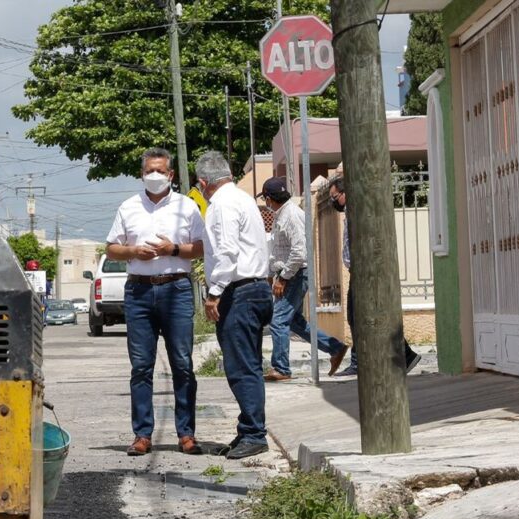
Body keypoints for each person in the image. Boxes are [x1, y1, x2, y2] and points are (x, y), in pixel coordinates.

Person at [105, 147, 205, 457]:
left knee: (183, 364)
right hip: (139, 292)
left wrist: (172, 249)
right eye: (150, 171)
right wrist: (134, 251)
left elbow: (201, 248)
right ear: (141, 174)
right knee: (141, 367)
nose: (155, 176)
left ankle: (186, 434)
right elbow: (111, 249)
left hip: (176, 289)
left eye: (161, 171)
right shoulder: (128, 207)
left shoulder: (187, 207)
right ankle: (142, 435)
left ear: (171, 174)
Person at [196, 151, 273, 460]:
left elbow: (227, 253)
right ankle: (247, 429)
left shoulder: (221, 206)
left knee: (241, 368)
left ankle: (254, 433)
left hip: (238, 292)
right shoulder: (241, 199)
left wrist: (213, 294)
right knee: (248, 364)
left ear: (203, 182)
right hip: (254, 289)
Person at [328, 176, 420, 377]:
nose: (333, 201)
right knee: (370, 314)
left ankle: (361, 360)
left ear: (345, 193)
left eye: (335, 196)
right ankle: (403, 354)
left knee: (359, 315)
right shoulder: (352, 212)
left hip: (365, 272)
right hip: (360, 271)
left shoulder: (359, 211)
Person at [259, 177, 349, 381]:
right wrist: (273, 275)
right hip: (291, 274)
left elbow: (299, 252)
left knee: (278, 320)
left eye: (265, 198)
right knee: (295, 323)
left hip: (295, 274)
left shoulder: (290, 215)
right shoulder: (283, 214)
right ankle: (334, 348)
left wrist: (282, 277)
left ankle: (281, 368)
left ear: (269, 198)